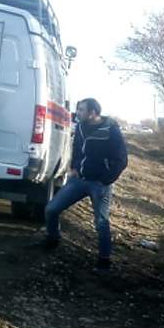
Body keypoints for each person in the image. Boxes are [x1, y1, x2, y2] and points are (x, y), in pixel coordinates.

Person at [40, 98, 128, 272]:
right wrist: (73, 167)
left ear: (93, 113)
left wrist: (106, 180)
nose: (77, 113)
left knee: (101, 222)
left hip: (99, 184)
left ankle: (104, 260)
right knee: (51, 209)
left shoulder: (111, 129)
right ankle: (52, 238)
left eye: (81, 110)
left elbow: (121, 160)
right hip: (79, 180)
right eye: (78, 109)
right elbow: (77, 147)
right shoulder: (80, 127)